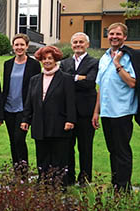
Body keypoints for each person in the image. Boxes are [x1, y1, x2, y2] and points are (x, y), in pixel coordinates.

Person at [92, 22, 140, 191]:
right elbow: (101, 87)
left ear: (125, 37)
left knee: (122, 151)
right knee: (112, 151)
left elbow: (133, 83)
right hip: (107, 112)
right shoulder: (103, 58)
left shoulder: (129, 56)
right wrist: (96, 112)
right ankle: (116, 183)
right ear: (107, 36)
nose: (114, 37)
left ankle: (124, 188)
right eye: (111, 34)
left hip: (123, 111)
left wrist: (118, 63)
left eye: (118, 34)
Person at [21, 46, 76, 186]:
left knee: (59, 156)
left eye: (50, 58)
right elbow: (29, 101)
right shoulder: (35, 79)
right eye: (44, 59)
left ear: (56, 60)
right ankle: (44, 183)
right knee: (42, 155)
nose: (47, 61)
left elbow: (71, 101)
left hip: (59, 123)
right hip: (39, 123)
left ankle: (59, 185)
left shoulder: (66, 79)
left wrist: (70, 119)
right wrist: (25, 119)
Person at [59, 32, 99, 185]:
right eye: (75, 42)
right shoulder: (65, 63)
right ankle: (68, 178)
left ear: (87, 44)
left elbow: (90, 83)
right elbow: (62, 83)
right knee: (67, 147)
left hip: (86, 113)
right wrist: (79, 77)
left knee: (85, 148)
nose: (78, 45)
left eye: (81, 42)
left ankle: (85, 179)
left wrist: (72, 77)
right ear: (71, 45)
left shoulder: (94, 62)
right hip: (68, 112)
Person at [2, 33, 41, 171]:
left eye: (22, 45)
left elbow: (36, 88)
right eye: (16, 45)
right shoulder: (7, 64)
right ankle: (16, 170)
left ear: (27, 46)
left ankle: (23, 171)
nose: (19, 47)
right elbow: (6, 87)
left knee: (19, 139)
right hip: (8, 108)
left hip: (24, 109)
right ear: (13, 46)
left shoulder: (34, 65)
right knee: (13, 141)